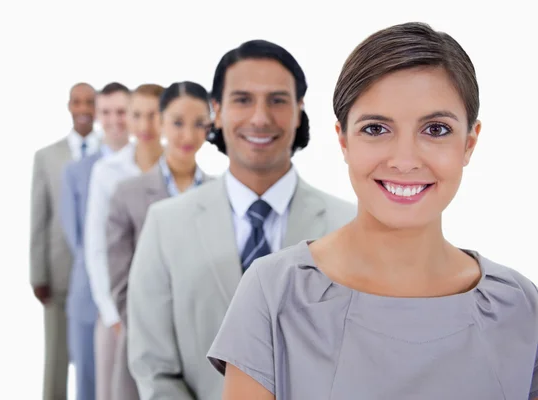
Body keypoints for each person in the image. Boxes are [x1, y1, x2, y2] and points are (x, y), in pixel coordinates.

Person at [207, 22, 538, 400]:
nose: (404, 160)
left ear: (469, 143)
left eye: (436, 129)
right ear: (343, 140)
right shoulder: (275, 292)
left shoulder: (518, 305)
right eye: (377, 129)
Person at [126, 39, 356, 400]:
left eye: (277, 100)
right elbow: (153, 367)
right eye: (242, 99)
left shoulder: (351, 224)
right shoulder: (165, 225)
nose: (260, 117)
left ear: (299, 111)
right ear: (216, 111)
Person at [106, 81, 215, 400]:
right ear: (162, 122)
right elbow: (120, 286)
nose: (188, 135)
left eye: (199, 124)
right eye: (178, 122)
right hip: (147, 346)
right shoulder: (127, 194)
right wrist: (157, 334)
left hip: (210, 348)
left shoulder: (220, 194)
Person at [84, 83, 165, 400]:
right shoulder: (107, 171)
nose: (145, 126)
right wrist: (113, 314)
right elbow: (96, 248)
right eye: (137, 115)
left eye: (154, 115)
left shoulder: (179, 169)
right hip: (118, 311)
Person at [59, 82, 135, 400]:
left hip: (134, 295)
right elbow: (78, 238)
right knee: (90, 387)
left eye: (122, 112)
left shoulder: (149, 163)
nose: (115, 120)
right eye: (106, 112)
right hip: (89, 296)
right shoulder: (78, 171)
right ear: (97, 115)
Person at [29, 82, 99, 400]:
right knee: (56, 360)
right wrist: (38, 274)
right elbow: (39, 218)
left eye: (90, 103)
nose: (84, 109)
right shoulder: (47, 156)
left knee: (98, 362)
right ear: (69, 106)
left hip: (100, 275)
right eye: (78, 102)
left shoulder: (108, 155)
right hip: (58, 272)